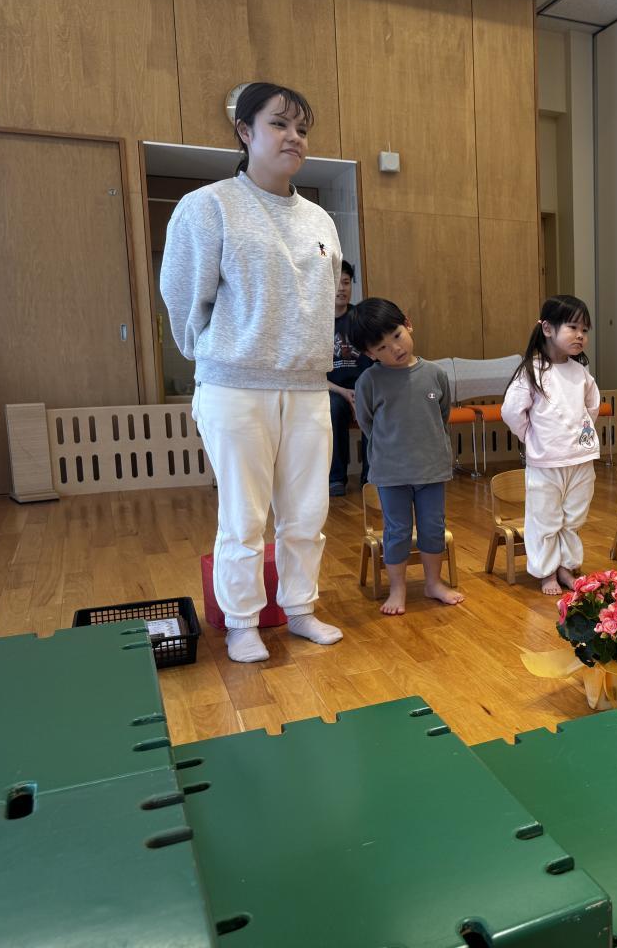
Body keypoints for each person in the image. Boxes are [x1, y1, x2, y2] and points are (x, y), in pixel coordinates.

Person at [161, 81, 343, 663]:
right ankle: (241, 621)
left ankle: (300, 608)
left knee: (307, 513)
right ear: (244, 131)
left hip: (307, 386)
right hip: (235, 386)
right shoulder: (208, 206)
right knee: (243, 516)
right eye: (279, 124)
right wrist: (216, 354)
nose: (294, 138)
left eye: (302, 129)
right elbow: (183, 295)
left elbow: (326, 303)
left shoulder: (320, 219)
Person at [348, 298, 464, 614]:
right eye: (382, 347)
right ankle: (397, 588)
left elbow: (442, 414)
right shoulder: (369, 381)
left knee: (433, 527)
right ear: (370, 354)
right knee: (397, 530)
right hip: (391, 473)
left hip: (431, 469)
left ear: (408, 324)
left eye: (397, 336)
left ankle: (433, 583)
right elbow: (367, 422)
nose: (395, 348)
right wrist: (390, 448)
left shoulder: (435, 374)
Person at [501, 296, 601, 595]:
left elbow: (592, 407)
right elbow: (511, 412)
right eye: (572, 327)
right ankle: (546, 572)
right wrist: (532, 438)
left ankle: (566, 566)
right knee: (544, 518)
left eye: (585, 329)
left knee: (573, 517)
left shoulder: (580, 372)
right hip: (545, 463)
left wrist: (579, 436)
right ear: (547, 328)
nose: (580, 335)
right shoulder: (532, 371)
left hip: (580, 459)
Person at [328, 259, 372, 496]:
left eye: (346, 282)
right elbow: (313, 374)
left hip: (364, 387)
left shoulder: (360, 318)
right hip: (333, 390)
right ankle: (336, 478)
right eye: (336, 282)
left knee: (376, 404)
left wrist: (361, 393)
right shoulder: (318, 322)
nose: (341, 288)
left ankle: (371, 477)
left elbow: (375, 358)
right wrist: (345, 393)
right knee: (333, 408)